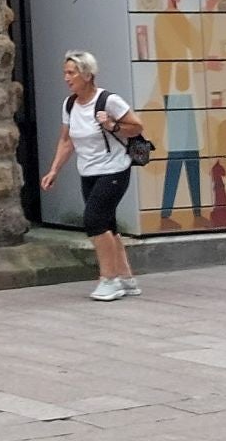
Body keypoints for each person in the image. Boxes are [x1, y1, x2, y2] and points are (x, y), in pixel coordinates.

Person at [42, 51, 144, 301]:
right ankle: (127, 279)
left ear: (87, 75)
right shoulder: (69, 104)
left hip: (114, 170)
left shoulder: (108, 100)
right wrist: (54, 170)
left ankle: (109, 279)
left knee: (94, 221)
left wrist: (112, 126)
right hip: (88, 172)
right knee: (107, 225)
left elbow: (137, 126)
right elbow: (67, 141)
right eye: (65, 73)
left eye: (71, 73)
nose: (66, 78)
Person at [152, 0, 204, 224]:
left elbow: (196, 43)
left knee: (191, 152)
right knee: (177, 153)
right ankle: (165, 214)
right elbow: (183, 46)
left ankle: (196, 211)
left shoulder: (179, 18)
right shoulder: (163, 20)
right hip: (174, 91)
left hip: (185, 91)